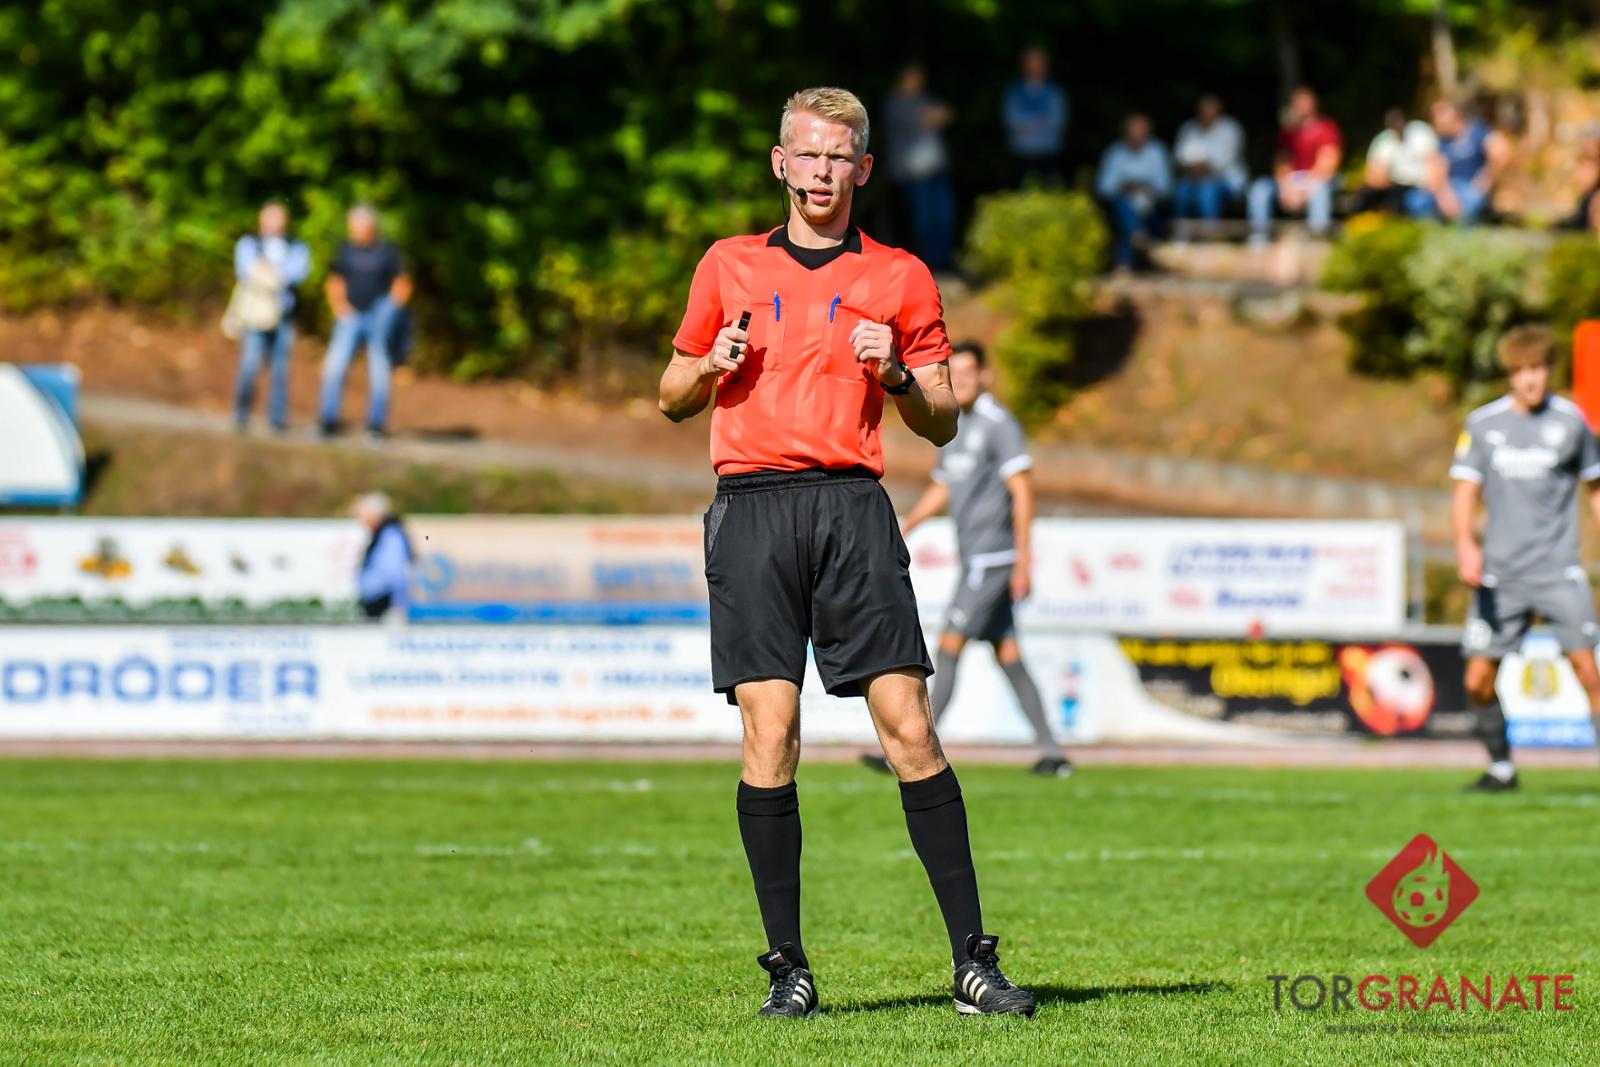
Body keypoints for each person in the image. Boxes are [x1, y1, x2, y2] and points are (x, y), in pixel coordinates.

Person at [658, 86, 1036, 1019]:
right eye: (808, 154)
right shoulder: (727, 264)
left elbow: (941, 421)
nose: (822, 171)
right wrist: (708, 367)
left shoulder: (900, 277)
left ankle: (972, 962)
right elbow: (670, 395)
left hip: (852, 508)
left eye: (840, 157)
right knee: (771, 734)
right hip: (751, 509)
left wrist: (897, 372)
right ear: (780, 163)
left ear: (863, 168)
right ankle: (788, 968)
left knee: (910, 726)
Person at [866, 341, 1072, 777]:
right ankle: (1053, 753)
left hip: (992, 560)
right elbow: (943, 486)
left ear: (985, 375)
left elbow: (1022, 492)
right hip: (977, 559)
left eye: (967, 372)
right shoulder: (955, 424)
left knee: (948, 646)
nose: (959, 380)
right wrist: (905, 527)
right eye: (953, 373)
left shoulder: (1000, 425)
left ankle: (910, 748)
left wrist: (1023, 561)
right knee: (1009, 655)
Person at [1450, 325, 1600, 792]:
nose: (1529, 379)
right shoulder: (1483, 424)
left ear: (1550, 369)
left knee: (1588, 671)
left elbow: (1595, 488)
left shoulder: (1572, 423)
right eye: (1520, 370)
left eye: (1537, 368)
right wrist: (1466, 545)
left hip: (1559, 571)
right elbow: (1465, 492)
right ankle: (1501, 768)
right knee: (1477, 679)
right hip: (1500, 575)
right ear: (1509, 375)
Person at [319, 205, 413, 443]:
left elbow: (402, 283)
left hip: (377, 319)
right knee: (334, 367)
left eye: (358, 225)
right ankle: (327, 422)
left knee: (379, 371)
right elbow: (334, 280)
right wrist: (340, 308)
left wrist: (388, 310)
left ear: (370, 226)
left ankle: (376, 426)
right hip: (350, 318)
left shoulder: (387, 251)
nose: (354, 230)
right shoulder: (345, 249)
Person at [231, 201, 311, 432]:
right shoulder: (249, 243)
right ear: (261, 219)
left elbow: (296, 274)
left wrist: (266, 271)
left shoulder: (296, 246)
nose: (275, 223)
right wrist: (276, 275)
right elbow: (246, 272)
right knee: (249, 365)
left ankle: (277, 419)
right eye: (270, 217)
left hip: (285, 315)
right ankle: (241, 415)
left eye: (279, 218)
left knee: (280, 369)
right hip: (255, 317)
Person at [883, 64, 956, 272]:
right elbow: (924, 119)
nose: (917, 81)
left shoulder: (924, 99)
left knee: (943, 216)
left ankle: (945, 260)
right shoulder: (895, 103)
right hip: (913, 173)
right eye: (913, 77)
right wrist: (933, 116)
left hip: (936, 169)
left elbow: (947, 114)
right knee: (924, 219)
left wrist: (933, 116)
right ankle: (930, 261)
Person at [1248, 86, 1343, 243]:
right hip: (1293, 182)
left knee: (1319, 190)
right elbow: (1282, 162)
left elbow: (1328, 163)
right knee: (1260, 188)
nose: (1301, 106)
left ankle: (1317, 239)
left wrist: (1304, 189)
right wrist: (1285, 186)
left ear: (1314, 104)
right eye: (1297, 103)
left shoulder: (1326, 128)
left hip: (1318, 179)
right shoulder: (1289, 132)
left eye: (1304, 102)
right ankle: (1260, 238)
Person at [1410, 99, 1510, 225]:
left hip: (1472, 186)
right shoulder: (1442, 140)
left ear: (1456, 112)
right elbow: (1438, 171)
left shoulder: (1478, 131)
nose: (1437, 119)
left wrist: (1486, 181)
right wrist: (1445, 195)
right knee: (1416, 200)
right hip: (1449, 187)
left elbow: (1501, 152)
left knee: (1472, 202)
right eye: (1434, 115)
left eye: (1441, 113)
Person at [1096, 113, 1171, 270]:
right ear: (1126, 133)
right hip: (1122, 201)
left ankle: (1125, 262)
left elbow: (1164, 187)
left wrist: (1142, 186)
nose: (1137, 136)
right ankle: (1137, 235)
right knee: (1124, 205)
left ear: (1148, 133)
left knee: (1130, 212)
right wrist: (1125, 186)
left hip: (1150, 202)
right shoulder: (1115, 153)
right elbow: (1104, 188)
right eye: (1133, 131)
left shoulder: (1157, 152)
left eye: (1141, 132)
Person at [1172, 94, 1247, 227]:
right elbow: (1178, 159)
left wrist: (1196, 166)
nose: (1206, 115)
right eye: (1203, 111)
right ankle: (1182, 233)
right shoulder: (1188, 128)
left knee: (1207, 190)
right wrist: (1197, 167)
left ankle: (1210, 233)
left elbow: (1222, 163)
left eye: (1210, 111)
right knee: (1181, 190)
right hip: (1192, 180)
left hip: (1228, 182)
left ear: (1219, 112)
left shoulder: (1230, 129)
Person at [1002, 46, 1068, 186]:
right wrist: (1040, 120)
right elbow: (1012, 122)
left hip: (1049, 152)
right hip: (1020, 153)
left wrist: (1028, 124)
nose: (1035, 67)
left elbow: (1057, 123)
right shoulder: (1014, 92)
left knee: (1052, 190)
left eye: (1038, 62)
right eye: (1031, 62)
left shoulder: (1055, 92)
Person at [1355, 107, 1437, 215]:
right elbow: (1371, 175)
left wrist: (1433, 187)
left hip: (1420, 188)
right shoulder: (1383, 141)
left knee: (1417, 202)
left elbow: (1433, 164)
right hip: (1394, 187)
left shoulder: (1420, 133)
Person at [353, 492, 413, 620]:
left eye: (363, 514)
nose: (360, 519)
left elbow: (395, 572)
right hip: (378, 601)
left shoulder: (390, 535)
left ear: (373, 514)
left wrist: (396, 605)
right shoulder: (382, 534)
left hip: (384, 603)